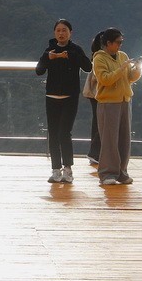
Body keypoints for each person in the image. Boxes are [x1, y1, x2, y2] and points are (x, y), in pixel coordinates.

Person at [35, 19, 92, 183]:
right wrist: (48, 58)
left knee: (64, 133)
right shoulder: (49, 50)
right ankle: (55, 170)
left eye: (64, 30)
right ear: (55, 33)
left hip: (70, 98)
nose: (61, 33)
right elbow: (39, 71)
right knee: (53, 134)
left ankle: (68, 169)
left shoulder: (75, 49)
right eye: (58, 30)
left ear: (70, 33)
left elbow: (88, 67)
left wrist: (71, 56)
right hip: (51, 97)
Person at [91, 27, 142, 186]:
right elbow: (105, 79)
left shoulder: (123, 56)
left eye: (121, 42)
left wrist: (137, 69)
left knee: (124, 139)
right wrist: (121, 68)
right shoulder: (99, 59)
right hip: (108, 103)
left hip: (124, 100)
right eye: (118, 42)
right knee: (109, 140)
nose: (120, 45)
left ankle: (121, 172)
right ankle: (107, 173)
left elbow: (130, 78)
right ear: (108, 43)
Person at [83, 31, 104, 165]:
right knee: (102, 122)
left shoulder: (96, 56)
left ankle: (95, 153)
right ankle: (95, 153)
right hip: (100, 93)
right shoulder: (101, 57)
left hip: (94, 93)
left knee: (97, 122)